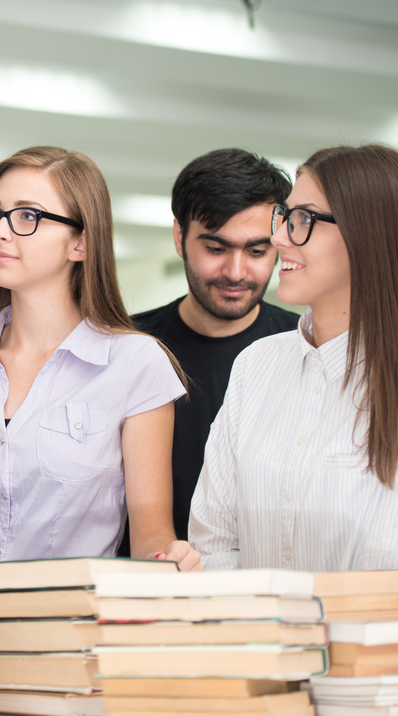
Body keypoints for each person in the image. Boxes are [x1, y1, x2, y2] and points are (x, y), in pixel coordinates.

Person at [0, 147, 201, 716]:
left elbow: (150, 532)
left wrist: (170, 563)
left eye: (27, 216)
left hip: (57, 670)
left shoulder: (136, 365)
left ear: (82, 242)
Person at [189, 144, 398, 572]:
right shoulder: (256, 365)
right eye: (284, 216)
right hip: (258, 635)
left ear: (367, 232)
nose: (279, 237)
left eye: (304, 219)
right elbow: (213, 543)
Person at [124, 149, 298, 550]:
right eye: (217, 249)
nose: (236, 272)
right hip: (143, 590)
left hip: (261, 588)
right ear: (179, 238)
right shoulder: (125, 346)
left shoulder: (302, 350)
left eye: (257, 251)